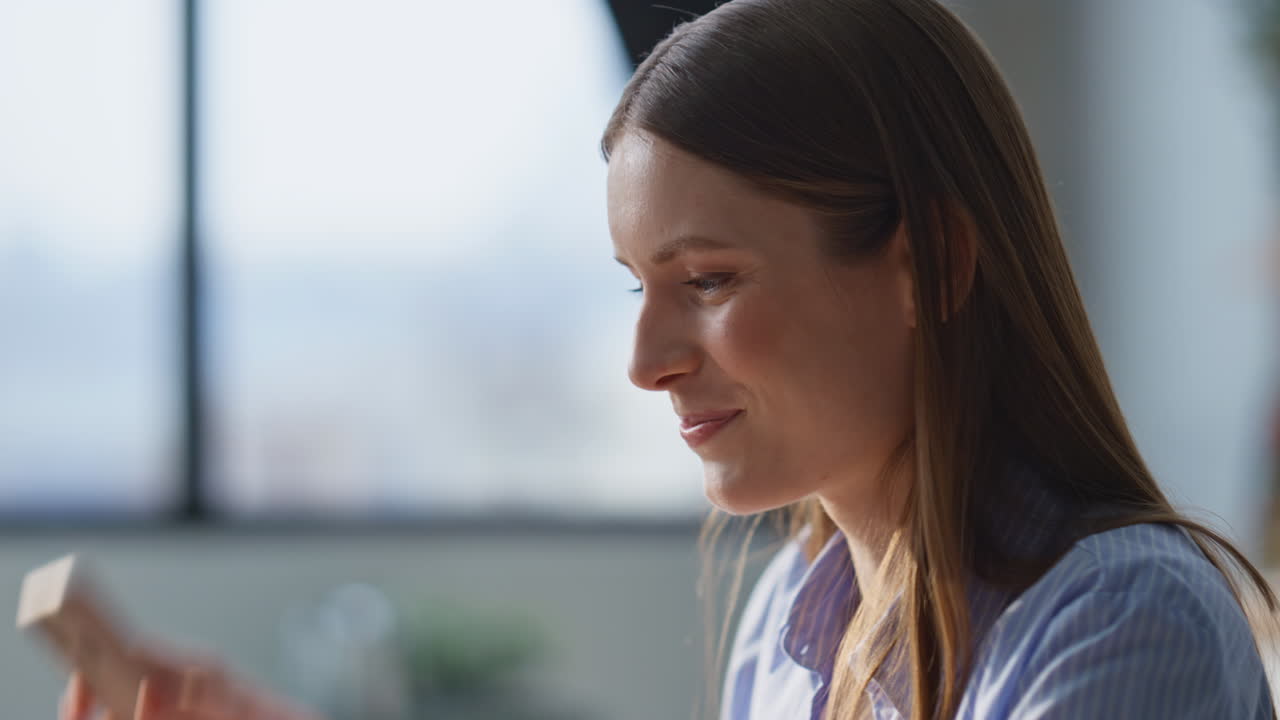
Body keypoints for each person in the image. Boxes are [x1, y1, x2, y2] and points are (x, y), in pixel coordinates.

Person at [59, 0, 1278, 718]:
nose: (644, 361)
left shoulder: (1117, 619)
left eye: (707, 283)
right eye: (639, 290)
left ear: (934, 265)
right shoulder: (795, 625)